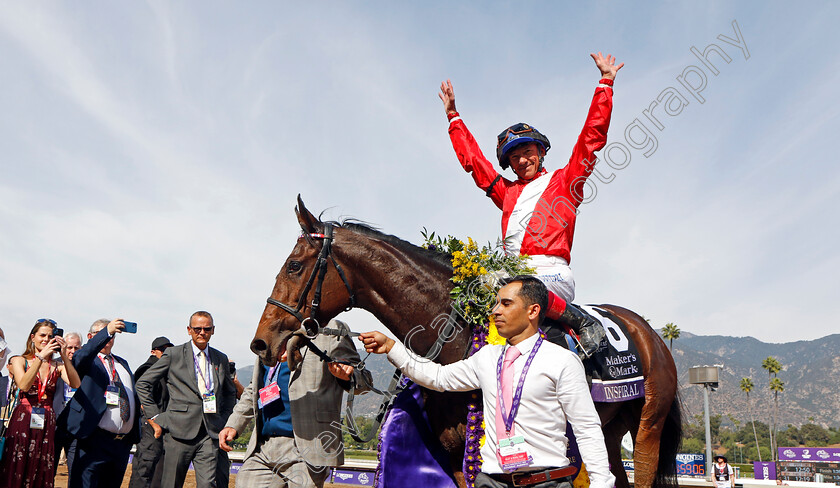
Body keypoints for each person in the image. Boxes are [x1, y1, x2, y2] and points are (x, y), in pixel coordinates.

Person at [438, 53, 624, 357]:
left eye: (527, 151)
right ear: (509, 163)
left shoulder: (567, 180)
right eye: (514, 157)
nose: (522, 160)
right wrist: (454, 118)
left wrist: (605, 83)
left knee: (520, 292)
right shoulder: (507, 192)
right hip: (512, 276)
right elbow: (474, 163)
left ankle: (581, 322)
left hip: (551, 274)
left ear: (540, 152)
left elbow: (591, 138)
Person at [360, 276, 614, 488]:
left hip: (546, 482)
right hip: (491, 482)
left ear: (533, 311)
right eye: (495, 304)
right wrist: (392, 348)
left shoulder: (563, 361)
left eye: (506, 304)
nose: (495, 311)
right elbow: (438, 377)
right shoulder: (487, 357)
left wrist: (602, 483)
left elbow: (586, 427)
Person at [219, 319, 373, 488]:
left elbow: (364, 381)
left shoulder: (330, 327)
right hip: (263, 446)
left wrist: (348, 376)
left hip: (308, 446)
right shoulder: (270, 330)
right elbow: (254, 389)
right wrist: (234, 424)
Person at [136, 311, 237, 488]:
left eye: (207, 329)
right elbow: (143, 384)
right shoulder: (173, 354)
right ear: (189, 330)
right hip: (178, 432)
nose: (202, 332)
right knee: (171, 484)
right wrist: (155, 417)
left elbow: (229, 393)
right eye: (197, 328)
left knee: (208, 484)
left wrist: (225, 418)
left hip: (209, 431)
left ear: (213, 330)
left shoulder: (220, 358)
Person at [0, 319, 81, 488]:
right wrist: (40, 358)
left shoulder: (57, 365)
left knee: (41, 464)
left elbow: (75, 384)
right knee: (18, 463)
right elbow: (24, 384)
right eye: (42, 335)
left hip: (46, 420)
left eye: (50, 336)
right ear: (32, 337)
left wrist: (65, 356)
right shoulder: (18, 360)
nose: (46, 339)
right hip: (23, 416)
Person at [62, 319, 140, 488]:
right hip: (94, 440)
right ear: (91, 336)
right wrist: (108, 331)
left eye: (112, 335)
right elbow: (81, 357)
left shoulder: (122, 363)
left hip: (120, 444)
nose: (109, 338)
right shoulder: (86, 360)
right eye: (104, 333)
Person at [128, 336, 173, 488]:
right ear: (153, 351)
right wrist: (154, 423)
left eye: (169, 349)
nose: (166, 352)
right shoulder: (147, 369)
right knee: (145, 466)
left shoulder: (165, 370)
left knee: (157, 469)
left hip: (162, 424)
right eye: (163, 350)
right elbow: (142, 401)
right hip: (150, 424)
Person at [54, 331, 83, 474]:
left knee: (76, 472)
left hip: (76, 426)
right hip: (55, 423)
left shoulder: (85, 368)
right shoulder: (54, 365)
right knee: (49, 470)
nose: (72, 351)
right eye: (69, 347)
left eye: (76, 348)